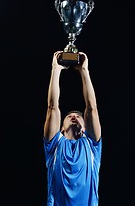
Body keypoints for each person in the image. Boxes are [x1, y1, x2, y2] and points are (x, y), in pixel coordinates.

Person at [43, 51, 102, 206]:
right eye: (69, 117)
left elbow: (91, 109)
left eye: (78, 116)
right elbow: (52, 108)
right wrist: (56, 70)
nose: (74, 116)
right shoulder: (54, 145)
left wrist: (84, 71)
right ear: (61, 128)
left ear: (84, 128)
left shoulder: (92, 146)